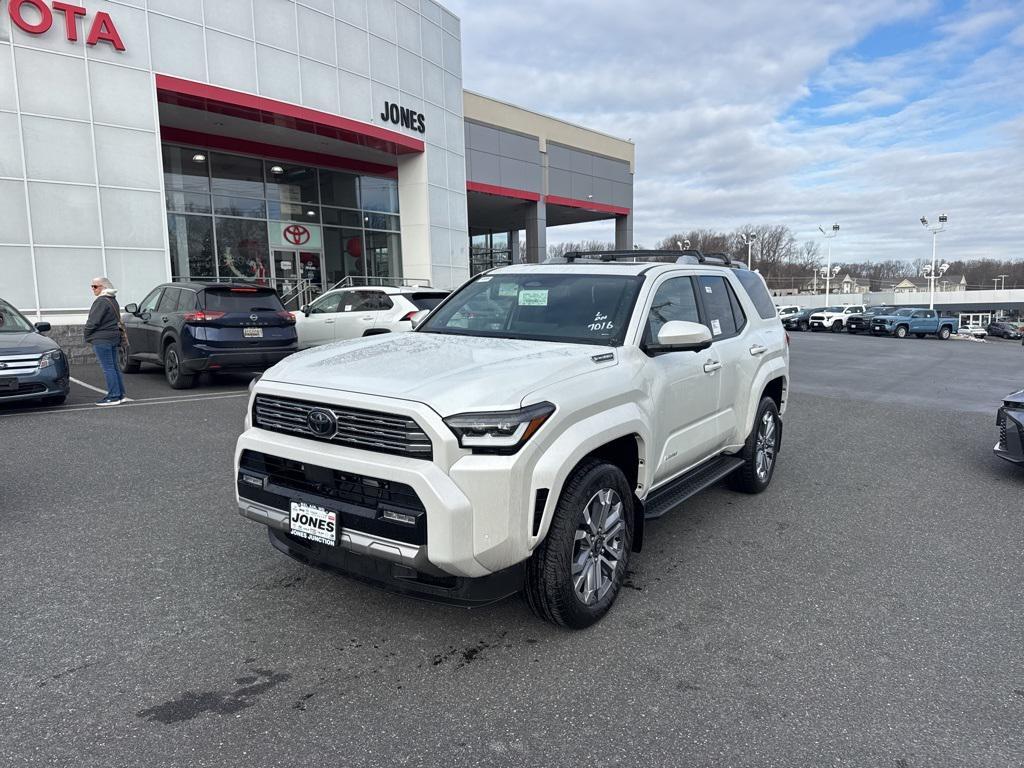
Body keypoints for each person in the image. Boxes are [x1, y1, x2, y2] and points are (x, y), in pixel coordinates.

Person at [84, 277, 127, 406]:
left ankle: (113, 396)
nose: (92, 289)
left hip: (102, 339)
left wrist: (86, 334)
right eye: (92, 286)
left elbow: (93, 322)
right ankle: (120, 394)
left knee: (108, 368)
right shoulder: (113, 300)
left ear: (103, 287)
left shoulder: (101, 302)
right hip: (113, 337)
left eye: (95, 286)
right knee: (113, 367)